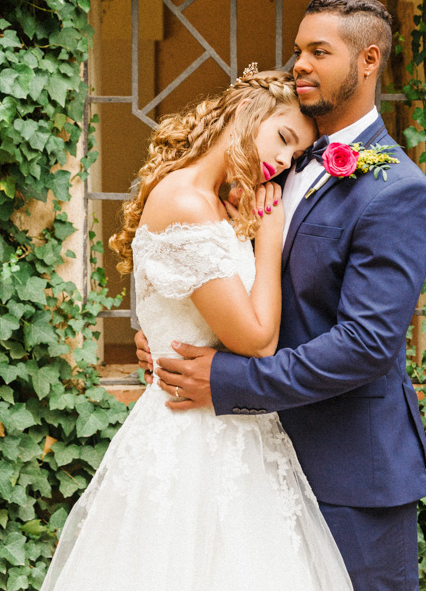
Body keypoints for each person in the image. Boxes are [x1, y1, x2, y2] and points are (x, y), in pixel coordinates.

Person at [139, 0, 426, 591]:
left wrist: (225, 379)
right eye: (297, 50)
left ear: (368, 60)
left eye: (319, 51)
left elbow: (366, 343)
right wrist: (166, 332)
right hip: (248, 466)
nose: (300, 63)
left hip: (348, 471)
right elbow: (199, 265)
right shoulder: (266, 160)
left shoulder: (397, 189)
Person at [40, 68, 354, 591]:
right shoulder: (187, 202)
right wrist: (270, 235)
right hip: (195, 439)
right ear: (243, 116)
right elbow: (257, 341)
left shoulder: (214, 202)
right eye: (283, 139)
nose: (283, 163)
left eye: (296, 156)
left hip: (230, 424)